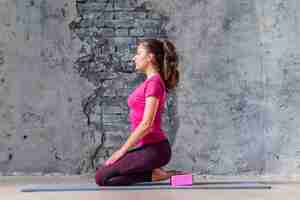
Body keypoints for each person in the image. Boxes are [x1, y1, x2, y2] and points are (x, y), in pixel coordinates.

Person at [95, 38, 182, 186]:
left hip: (156, 149)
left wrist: (121, 151)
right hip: (147, 148)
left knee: (102, 177)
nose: (134, 57)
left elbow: (147, 124)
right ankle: (158, 174)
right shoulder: (150, 82)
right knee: (104, 177)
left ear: (150, 57)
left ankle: (163, 175)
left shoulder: (154, 83)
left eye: (138, 53)